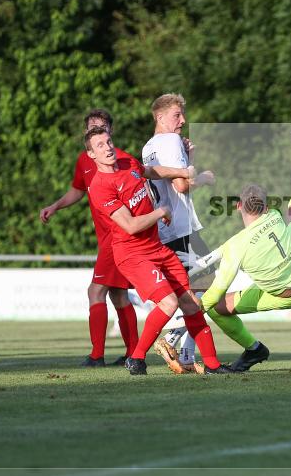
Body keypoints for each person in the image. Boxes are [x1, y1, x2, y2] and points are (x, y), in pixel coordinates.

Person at [84, 126, 231, 376]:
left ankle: (213, 365)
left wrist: (182, 171)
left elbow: (151, 171)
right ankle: (137, 357)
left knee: (191, 304)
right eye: (100, 145)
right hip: (132, 255)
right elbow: (130, 225)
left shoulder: (127, 161)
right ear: (91, 154)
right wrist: (160, 211)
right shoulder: (100, 186)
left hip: (156, 248)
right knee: (169, 302)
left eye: (108, 141)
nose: (107, 147)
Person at [198, 131, 291, 372]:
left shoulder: (236, 245)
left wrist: (195, 309)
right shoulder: (275, 216)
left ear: (238, 206)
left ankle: (254, 349)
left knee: (217, 307)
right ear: (267, 205)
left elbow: (215, 292)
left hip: (287, 293)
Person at [39, 110, 138, 367]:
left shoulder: (124, 160)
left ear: (110, 131)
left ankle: (97, 356)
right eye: (91, 127)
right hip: (107, 237)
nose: (96, 131)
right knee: (118, 296)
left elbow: (142, 189)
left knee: (95, 291)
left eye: (101, 127)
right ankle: (133, 354)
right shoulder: (84, 160)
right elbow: (77, 190)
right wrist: (55, 206)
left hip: (117, 237)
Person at [142, 93, 216, 374]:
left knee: (193, 293)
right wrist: (203, 178)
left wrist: (189, 157)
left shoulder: (147, 147)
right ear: (160, 117)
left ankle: (185, 355)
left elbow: (172, 179)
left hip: (166, 230)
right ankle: (172, 339)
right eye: (177, 115)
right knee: (208, 289)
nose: (183, 120)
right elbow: (181, 186)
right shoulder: (170, 141)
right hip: (182, 229)